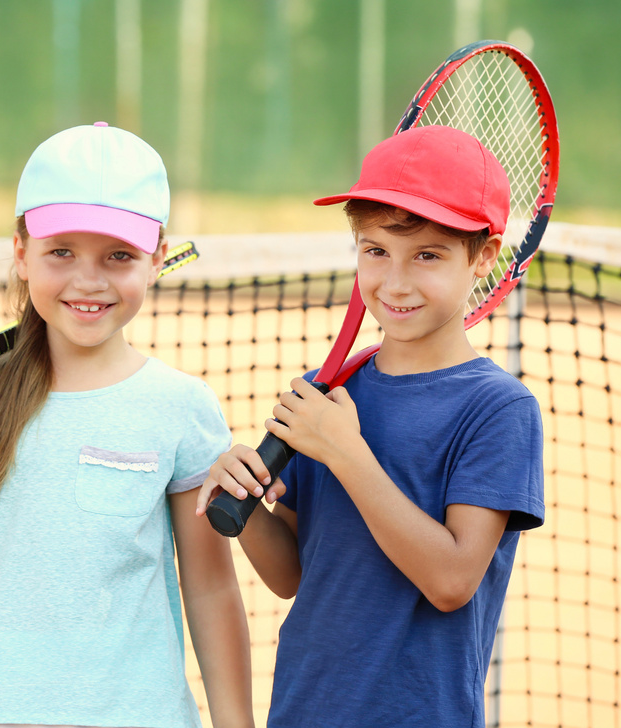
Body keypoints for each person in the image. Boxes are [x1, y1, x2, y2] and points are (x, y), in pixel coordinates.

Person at [0, 122, 254, 728]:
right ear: (21, 253)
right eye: (61, 252)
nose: (89, 279)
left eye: (119, 255)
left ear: (157, 259)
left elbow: (210, 590)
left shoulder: (182, 406)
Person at [195, 125, 546, 727]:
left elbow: (451, 580)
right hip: (304, 710)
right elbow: (291, 576)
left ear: (484, 257)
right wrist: (246, 504)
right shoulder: (328, 393)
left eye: (428, 255)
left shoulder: (498, 409)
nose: (396, 280)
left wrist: (347, 454)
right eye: (375, 250)